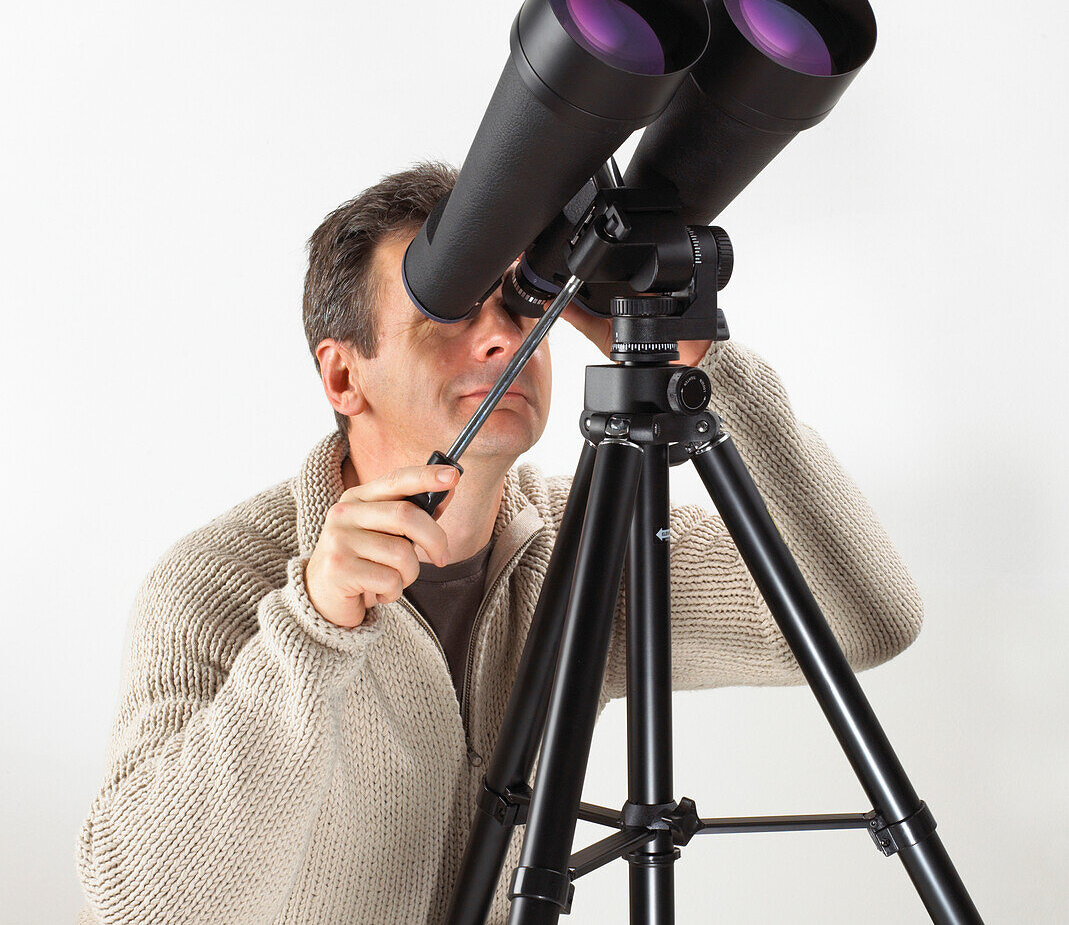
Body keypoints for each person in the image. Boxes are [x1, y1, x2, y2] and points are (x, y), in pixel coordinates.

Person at [75, 160, 924, 924]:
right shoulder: (216, 585)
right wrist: (314, 628)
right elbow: (142, 900)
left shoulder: (580, 547)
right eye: (446, 310)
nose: (502, 338)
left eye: (522, 302)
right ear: (342, 375)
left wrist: (702, 365)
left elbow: (864, 618)